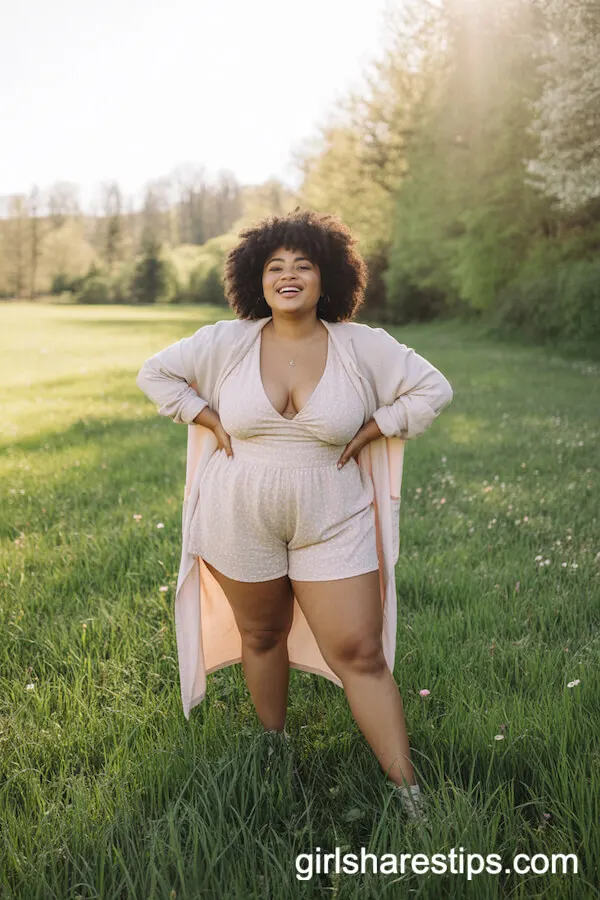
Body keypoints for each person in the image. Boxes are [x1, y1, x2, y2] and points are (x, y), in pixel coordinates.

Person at [136, 209, 453, 821]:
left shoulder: (361, 345)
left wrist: (380, 425)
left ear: (326, 277)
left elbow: (432, 388)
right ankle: (274, 749)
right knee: (261, 635)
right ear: (255, 277)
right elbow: (156, 374)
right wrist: (204, 416)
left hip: (333, 514)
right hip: (238, 512)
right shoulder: (227, 342)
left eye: (302, 266)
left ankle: (410, 794)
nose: (287, 276)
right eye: (275, 266)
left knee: (360, 651)